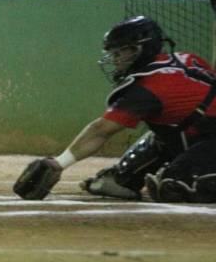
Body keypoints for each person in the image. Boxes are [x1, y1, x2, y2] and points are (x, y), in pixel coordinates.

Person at [13, 16, 216, 203]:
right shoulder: (185, 58)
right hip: (202, 135)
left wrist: (59, 163)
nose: (115, 60)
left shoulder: (147, 88)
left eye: (120, 53)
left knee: (174, 185)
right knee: (124, 177)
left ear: (139, 50)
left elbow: (100, 131)